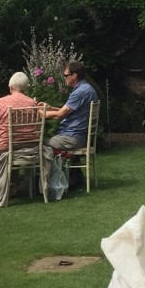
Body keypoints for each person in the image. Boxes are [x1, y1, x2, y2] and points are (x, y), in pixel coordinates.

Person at [36, 61, 96, 195]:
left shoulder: (79, 92)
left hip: (73, 137)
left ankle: (46, 185)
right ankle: (75, 176)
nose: (64, 78)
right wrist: (50, 108)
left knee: (41, 144)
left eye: (65, 75)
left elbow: (60, 115)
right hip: (80, 135)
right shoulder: (87, 89)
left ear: (74, 75)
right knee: (46, 142)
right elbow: (67, 110)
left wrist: (42, 114)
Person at [0, 72, 39, 207]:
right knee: (14, 146)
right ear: (25, 88)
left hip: (6, 145)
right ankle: (13, 185)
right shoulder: (32, 102)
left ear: (10, 88)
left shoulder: (2, 102)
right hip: (30, 146)